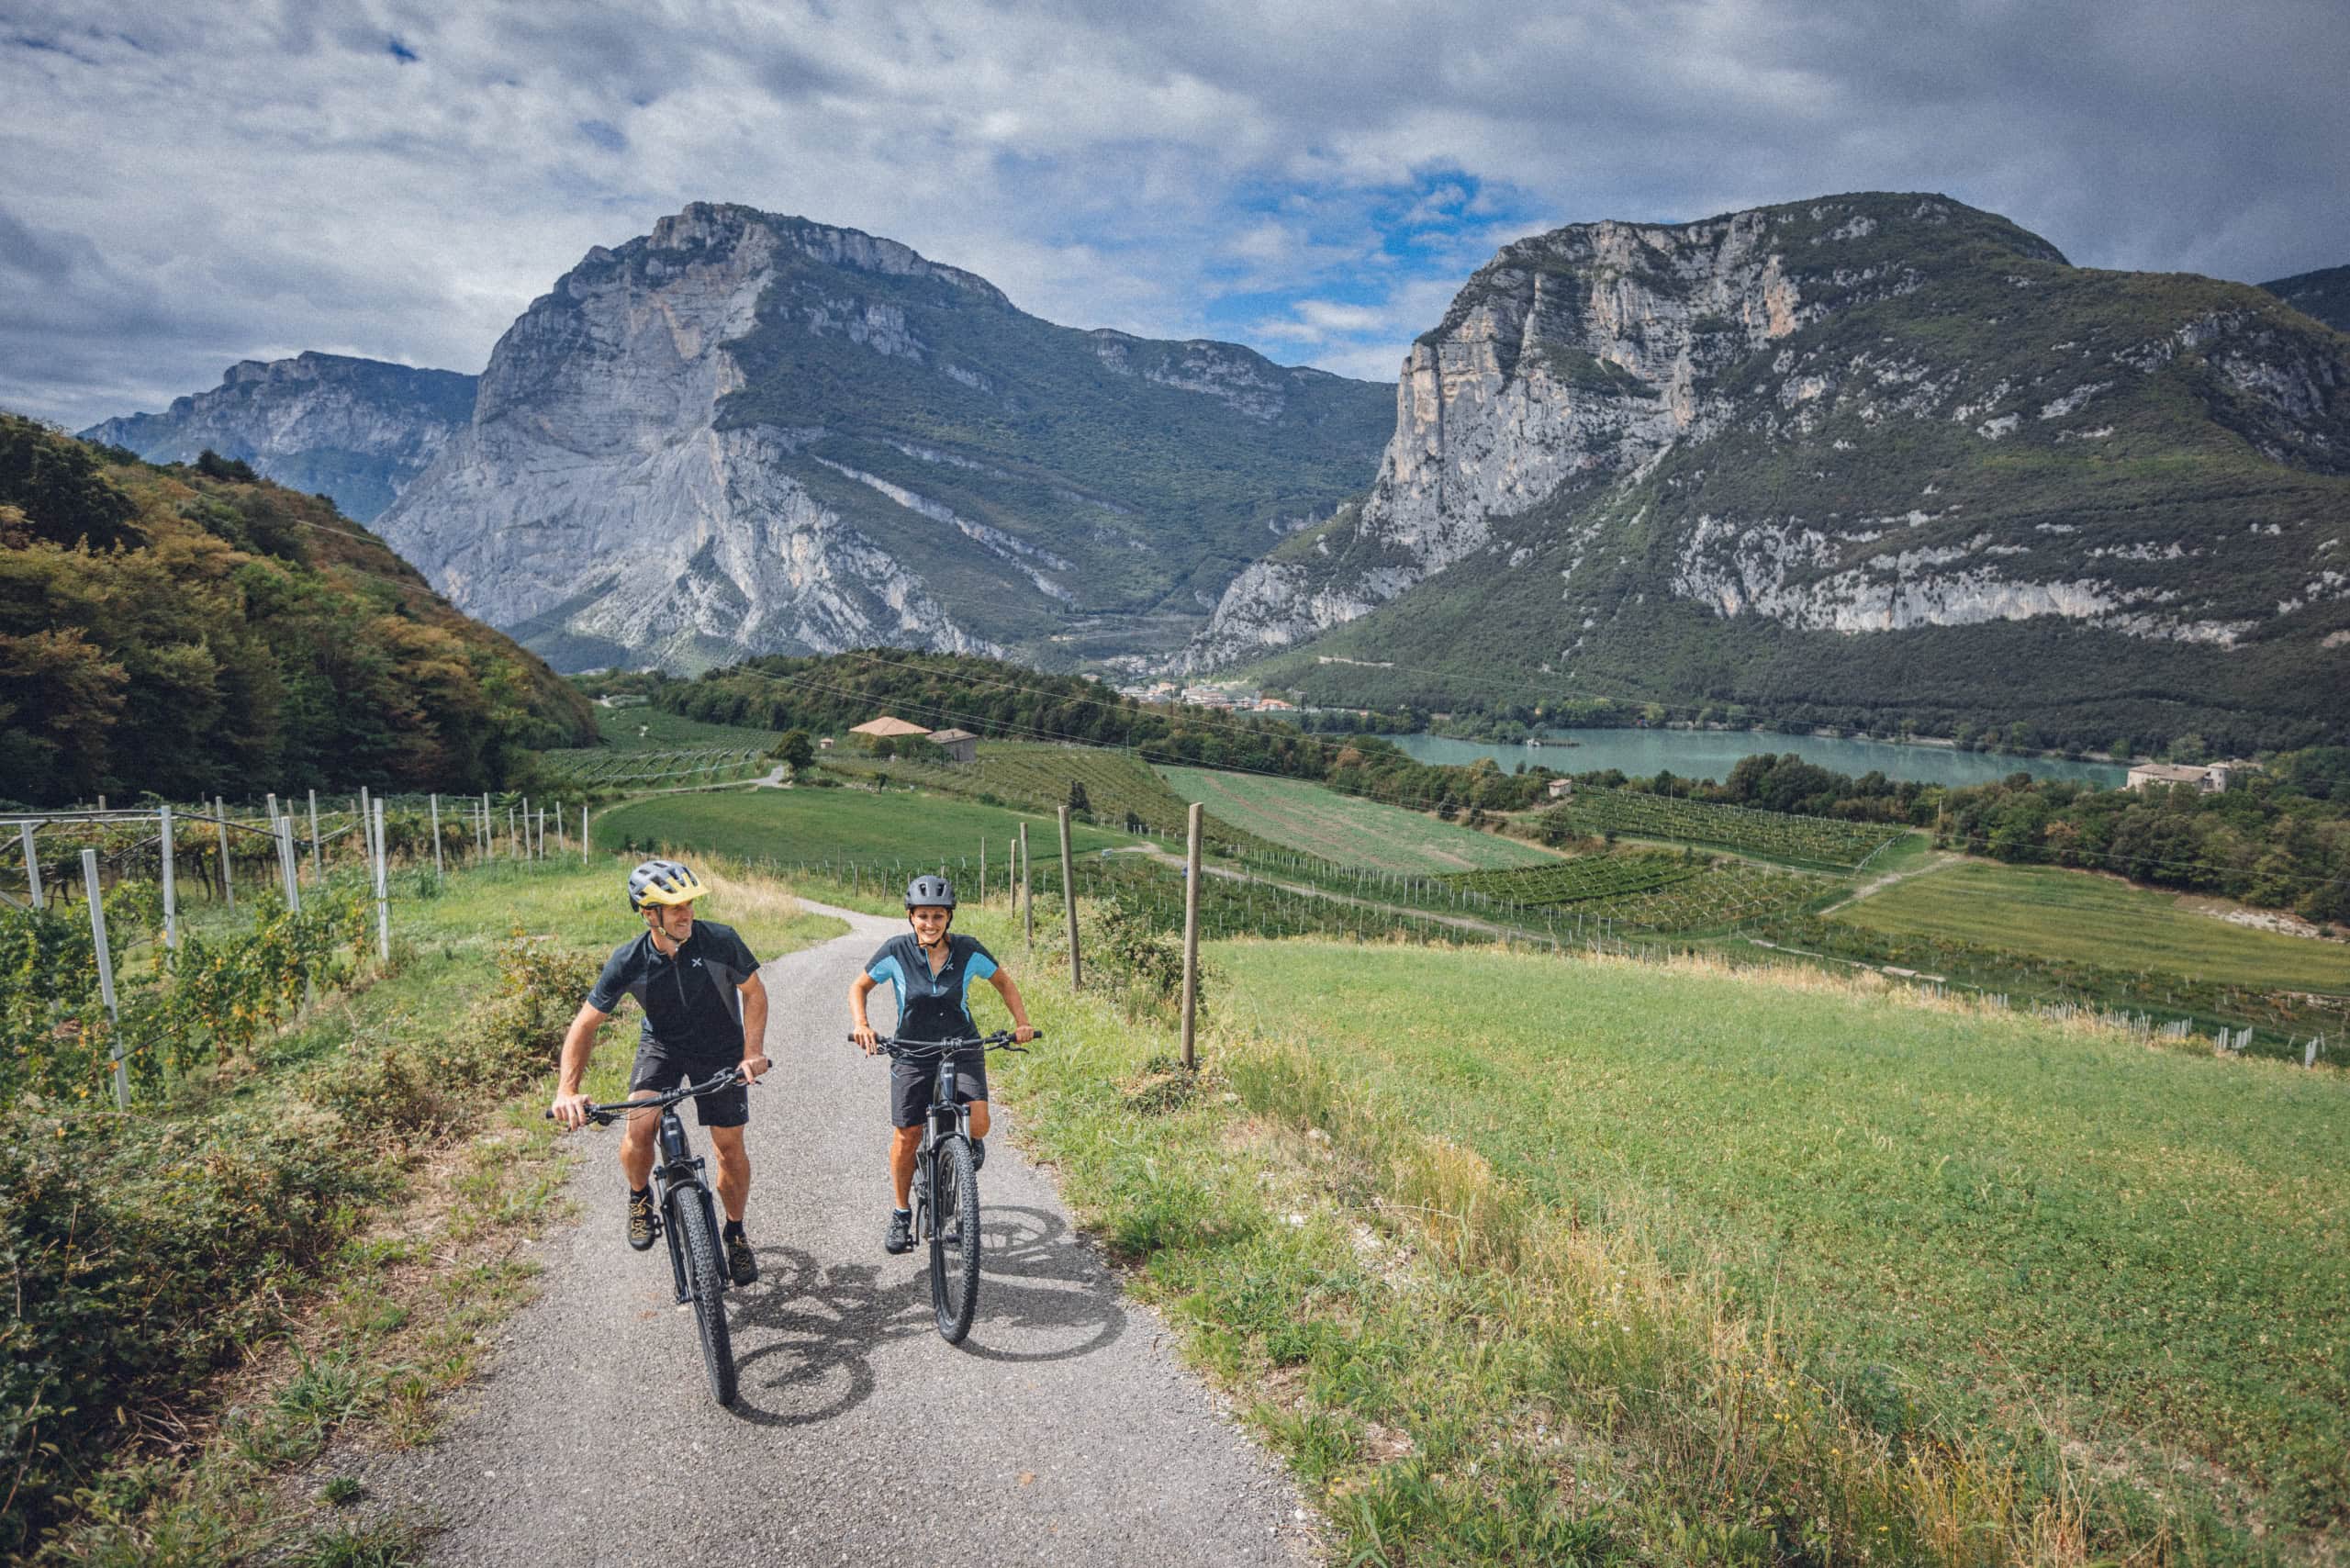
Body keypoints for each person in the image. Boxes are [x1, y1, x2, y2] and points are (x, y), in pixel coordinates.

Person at [551, 858, 771, 1285]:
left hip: (720, 1047)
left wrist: (752, 1052)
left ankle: (737, 1233)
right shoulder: (628, 960)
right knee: (640, 1123)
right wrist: (566, 1090)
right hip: (662, 1046)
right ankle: (638, 1197)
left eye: (688, 904)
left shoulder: (720, 940)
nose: (686, 913)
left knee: (729, 1147)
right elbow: (585, 1024)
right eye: (675, 907)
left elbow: (755, 994)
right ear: (649, 914)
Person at [848, 875, 1035, 1255]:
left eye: (937, 916)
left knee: (980, 1123)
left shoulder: (967, 950)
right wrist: (862, 1024)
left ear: (949, 918)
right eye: (922, 916)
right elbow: (859, 987)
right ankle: (901, 1213)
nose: (930, 923)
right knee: (907, 1136)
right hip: (912, 1049)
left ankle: (963, 1150)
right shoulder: (895, 951)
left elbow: (1004, 983)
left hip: (961, 1045)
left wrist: (1021, 1023)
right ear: (910, 916)